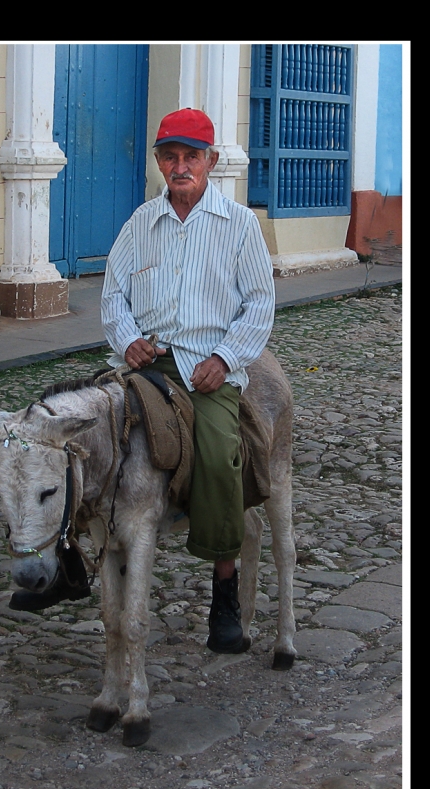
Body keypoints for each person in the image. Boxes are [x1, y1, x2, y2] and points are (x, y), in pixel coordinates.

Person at [99, 107, 275, 653]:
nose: (180, 167)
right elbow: (112, 296)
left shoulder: (240, 225)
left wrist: (223, 360)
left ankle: (223, 593)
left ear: (211, 162)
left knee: (222, 453)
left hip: (208, 371)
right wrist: (127, 340)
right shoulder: (139, 225)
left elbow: (259, 304)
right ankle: (69, 552)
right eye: (170, 157)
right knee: (89, 436)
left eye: (191, 157)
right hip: (146, 364)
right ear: (158, 162)